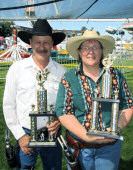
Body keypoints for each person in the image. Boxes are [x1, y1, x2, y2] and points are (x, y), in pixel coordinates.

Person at [55, 29, 133, 170]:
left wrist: (117, 128)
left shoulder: (116, 76)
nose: (90, 51)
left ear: (101, 51)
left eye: (95, 47)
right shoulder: (69, 78)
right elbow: (63, 111)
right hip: (78, 147)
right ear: (79, 52)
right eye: (86, 47)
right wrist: (85, 135)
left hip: (109, 149)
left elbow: (128, 105)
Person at [3, 19, 67, 170]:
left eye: (46, 42)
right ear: (30, 42)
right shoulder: (16, 69)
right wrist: (19, 135)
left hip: (53, 132)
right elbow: (8, 105)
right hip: (26, 132)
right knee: (25, 168)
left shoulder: (62, 71)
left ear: (52, 44)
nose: (42, 47)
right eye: (37, 42)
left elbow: (65, 104)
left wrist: (59, 120)